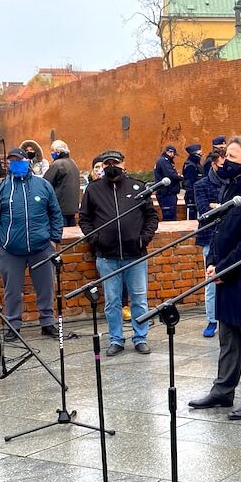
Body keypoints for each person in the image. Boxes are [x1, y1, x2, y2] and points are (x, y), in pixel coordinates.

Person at [188, 136, 241, 420]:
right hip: (225, 273)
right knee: (228, 337)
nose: (224, 163)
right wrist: (212, 262)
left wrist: (224, 268)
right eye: (224, 157)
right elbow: (219, 228)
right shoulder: (230, 187)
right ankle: (223, 389)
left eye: (231, 158)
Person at [78, 150, 158, 355]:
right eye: (108, 163)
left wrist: (143, 239)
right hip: (107, 256)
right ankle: (116, 338)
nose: (112, 166)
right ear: (103, 166)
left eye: (115, 162)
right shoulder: (93, 190)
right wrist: (96, 239)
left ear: (123, 164)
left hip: (135, 255)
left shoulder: (138, 187)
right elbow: (84, 219)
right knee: (112, 302)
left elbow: (151, 217)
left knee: (139, 299)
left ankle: (140, 337)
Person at [0, 148, 63, 338]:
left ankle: (47, 322)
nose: (15, 163)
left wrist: (54, 239)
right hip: (10, 250)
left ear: (27, 161)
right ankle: (13, 325)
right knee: (11, 291)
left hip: (41, 247)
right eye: (11, 160)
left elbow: (55, 213)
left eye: (18, 159)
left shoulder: (43, 185)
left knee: (46, 288)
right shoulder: (0, 188)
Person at [192, 149, 225, 338]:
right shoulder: (201, 184)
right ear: (213, 164)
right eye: (221, 165)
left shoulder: (233, 182)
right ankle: (212, 319)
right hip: (210, 236)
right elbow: (204, 210)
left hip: (230, 235)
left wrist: (216, 205)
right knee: (211, 280)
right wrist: (220, 206)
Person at [43, 140, 80, 226]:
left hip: (60, 207)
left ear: (58, 152)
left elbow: (46, 183)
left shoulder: (57, 164)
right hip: (72, 208)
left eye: (52, 151)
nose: (51, 153)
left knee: (61, 235)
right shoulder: (73, 163)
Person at [153, 144, 182, 222]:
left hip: (168, 192)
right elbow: (171, 175)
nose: (173, 156)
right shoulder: (164, 161)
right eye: (173, 154)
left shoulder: (164, 161)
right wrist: (181, 177)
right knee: (169, 216)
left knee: (171, 214)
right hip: (166, 193)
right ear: (169, 152)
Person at [182, 143, 204, 218]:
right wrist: (192, 197)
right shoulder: (190, 166)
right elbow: (188, 183)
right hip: (192, 197)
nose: (201, 155)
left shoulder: (196, 165)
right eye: (199, 153)